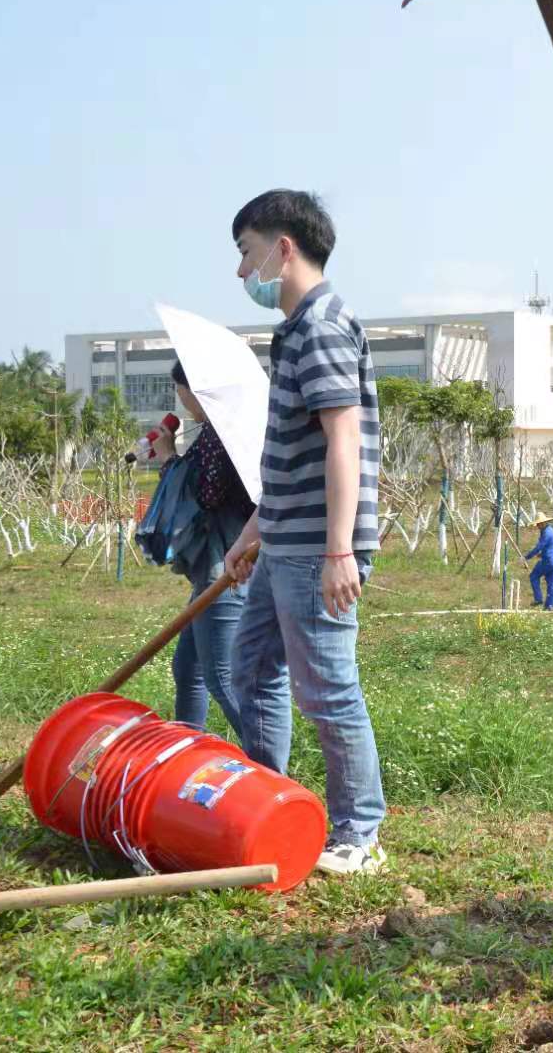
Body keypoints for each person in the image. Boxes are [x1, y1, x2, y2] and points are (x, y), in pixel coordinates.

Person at [222, 189, 388, 876]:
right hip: (285, 541)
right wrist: (252, 532)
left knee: (327, 688)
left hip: (317, 548)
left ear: (283, 248)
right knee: (250, 666)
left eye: (246, 252)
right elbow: (294, 457)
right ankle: (272, 799)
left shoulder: (320, 325)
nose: (241, 272)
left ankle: (358, 833)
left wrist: (339, 550)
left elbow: (342, 440)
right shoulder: (294, 329)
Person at [149, 362, 282, 736]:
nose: (182, 400)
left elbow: (205, 496)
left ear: (196, 389)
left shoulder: (220, 434)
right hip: (219, 561)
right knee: (188, 668)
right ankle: (186, 751)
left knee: (223, 679)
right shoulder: (227, 429)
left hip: (225, 565)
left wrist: (168, 458)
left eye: (181, 390)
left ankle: (271, 772)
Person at [525, 513, 553, 610]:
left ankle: (538, 598)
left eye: (538, 524)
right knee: (552, 584)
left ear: (544, 523)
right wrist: (542, 554)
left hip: (548, 561)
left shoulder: (546, 533)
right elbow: (550, 546)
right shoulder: (550, 531)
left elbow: (539, 547)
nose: (537, 526)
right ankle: (549, 606)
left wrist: (527, 557)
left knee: (534, 576)